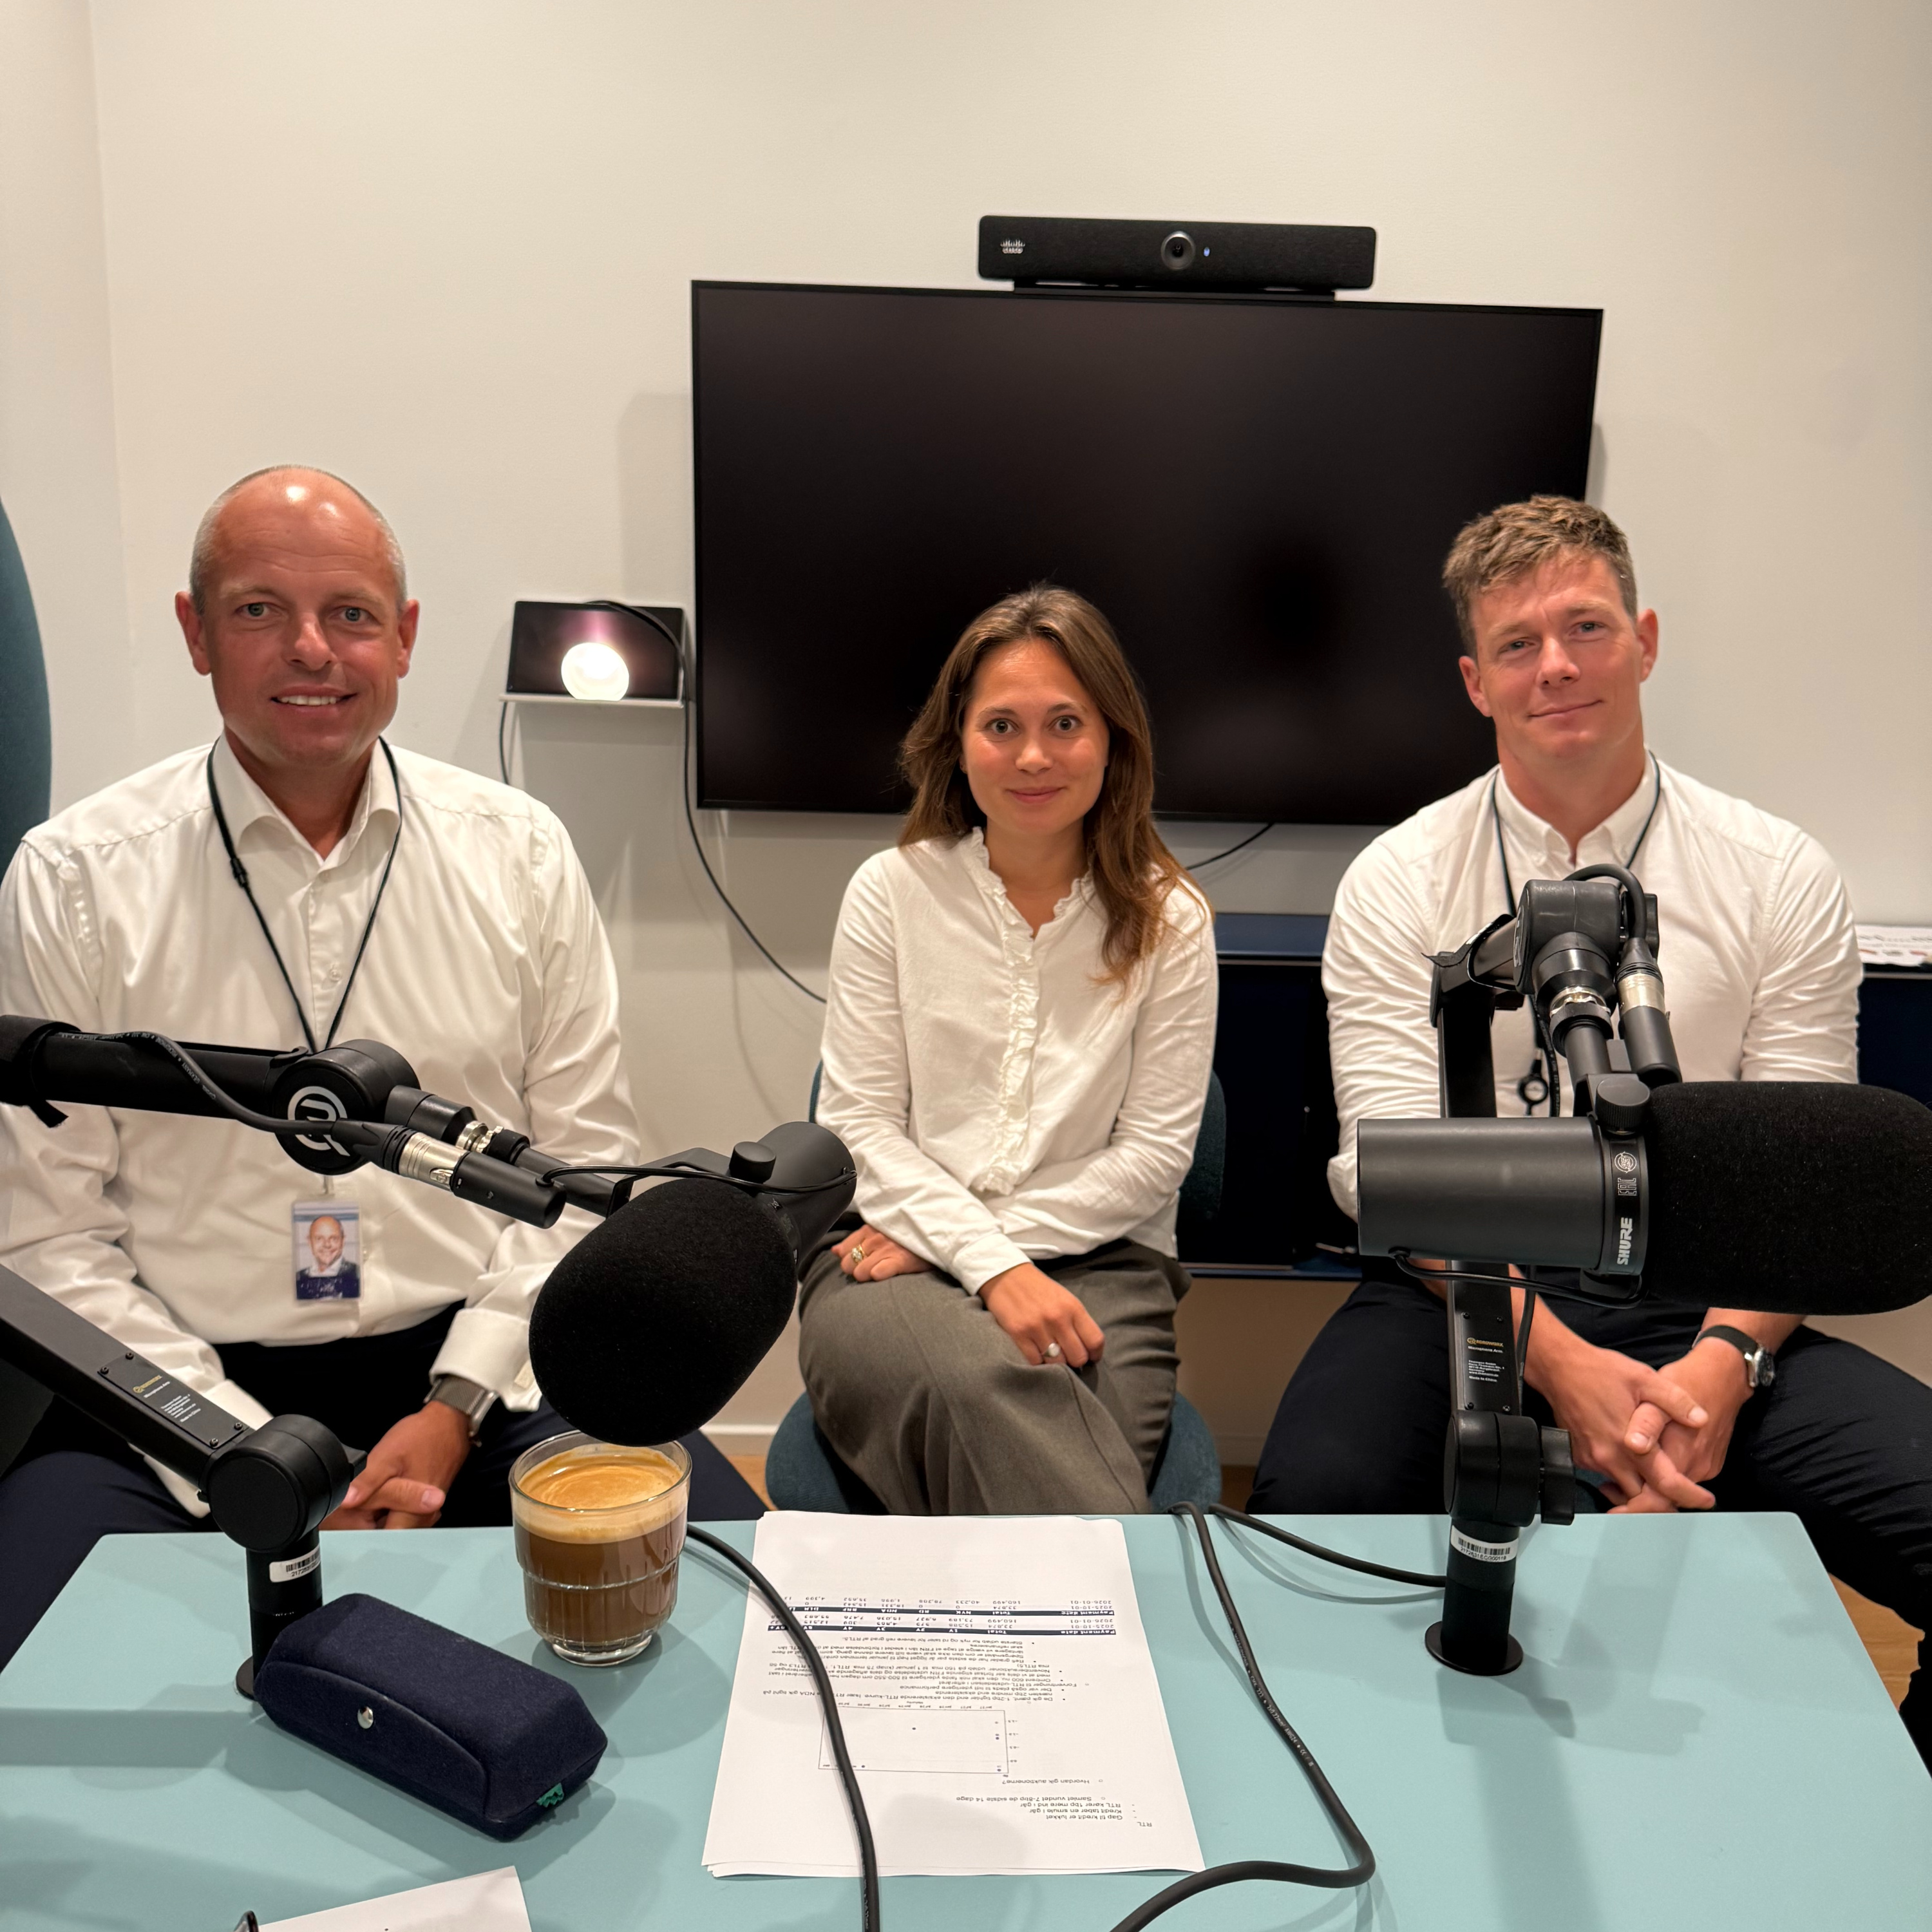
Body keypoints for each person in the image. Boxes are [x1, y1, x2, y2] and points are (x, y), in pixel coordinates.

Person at [0, 464, 758, 1667]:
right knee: (39, 1674)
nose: (312, 649)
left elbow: (580, 1178)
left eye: (350, 613)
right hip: (176, 1391)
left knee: (741, 1604)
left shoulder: (519, 854)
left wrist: (454, 1408)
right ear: (196, 633)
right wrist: (249, 1454)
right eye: (259, 610)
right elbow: (48, 1238)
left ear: (403, 639)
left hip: (488, 1372)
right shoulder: (74, 878)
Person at [1247, 495, 1932, 1766]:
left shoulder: (1776, 873)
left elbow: (1805, 1187)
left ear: (1646, 640)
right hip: (1460, 1287)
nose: (1555, 666)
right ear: (1475, 682)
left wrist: (1717, 1371)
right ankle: (1379, 1799)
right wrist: (1558, 1364)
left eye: (1586, 628)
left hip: (1705, 1289)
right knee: (1310, 1520)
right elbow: (1382, 1173)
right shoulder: (1400, 878)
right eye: (1517, 644)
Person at [800, 585, 1217, 1515]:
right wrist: (986, 1262)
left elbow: (1154, 1159)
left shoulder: (1173, 920)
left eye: (1065, 723)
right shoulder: (890, 893)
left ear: (1112, 739)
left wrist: (981, 1248)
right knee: (996, 1401)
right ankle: (1127, 1604)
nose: (1033, 756)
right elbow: (858, 1124)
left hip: (1098, 1260)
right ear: (958, 743)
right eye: (1001, 726)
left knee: (1057, 1443)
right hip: (884, 1250)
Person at [294, 1212, 359, 1302]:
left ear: (343, 1241)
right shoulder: (297, 1280)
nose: (327, 1245)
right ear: (309, 1242)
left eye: (334, 1238)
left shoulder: (358, 1276)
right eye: (319, 1239)